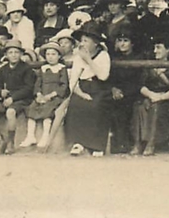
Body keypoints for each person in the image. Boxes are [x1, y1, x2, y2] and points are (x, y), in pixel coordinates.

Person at [66, 23, 112, 157]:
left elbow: (103, 76)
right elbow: (73, 81)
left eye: (86, 40)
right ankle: (79, 143)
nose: (82, 43)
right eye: (81, 40)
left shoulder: (103, 55)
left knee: (97, 106)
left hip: (99, 87)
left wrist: (88, 60)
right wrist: (81, 93)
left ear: (96, 43)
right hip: (82, 88)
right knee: (76, 104)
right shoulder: (77, 57)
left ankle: (96, 145)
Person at [132, 34, 169, 156]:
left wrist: (160, 97)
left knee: (157, 108)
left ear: (168, 50)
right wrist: (151, 95)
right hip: (150, 96)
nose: (155, 51)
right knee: (138, 107)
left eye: (159, 48)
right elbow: (141, 85)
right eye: (155, 48)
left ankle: (151, 143)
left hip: (167, 99)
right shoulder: (151, 65)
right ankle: (138, 143)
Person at [0, 39, 35, 154]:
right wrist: (0, 92)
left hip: (22, 100)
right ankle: (1, 141)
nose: (14, 55)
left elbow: (28, 88)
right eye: (10, 53)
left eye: (16, 52)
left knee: (10, 112)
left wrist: (13, 98)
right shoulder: (3, 69)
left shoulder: (26, 69)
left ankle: (11, 143)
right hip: (6, 100)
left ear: (21, 54)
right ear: (6, 55)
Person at [20, 41, 70, 149]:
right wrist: (38, 94)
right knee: (32, 108)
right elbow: (38, 83)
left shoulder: (61, 68)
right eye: (48, 54)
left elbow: (63, 85)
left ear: (59, 56)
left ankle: (45, 135)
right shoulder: (43, 69)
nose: (50, 57)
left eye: (53, 54)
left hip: (54, 96)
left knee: (48, 110)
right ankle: (30, 136)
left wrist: (51, 95)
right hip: (42, 95)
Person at [107, 26, 142, 154]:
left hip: (133, 93)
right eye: (120, 40)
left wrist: (124, 93)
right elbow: (109, 78)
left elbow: (139, 80)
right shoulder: (114, 57)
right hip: (116, 92)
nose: (122, 43)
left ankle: (124, 144)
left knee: (124, 109)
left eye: (126, 40)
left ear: (132, 43)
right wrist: (113, 89)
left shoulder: (139, 58)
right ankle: (114, 143)